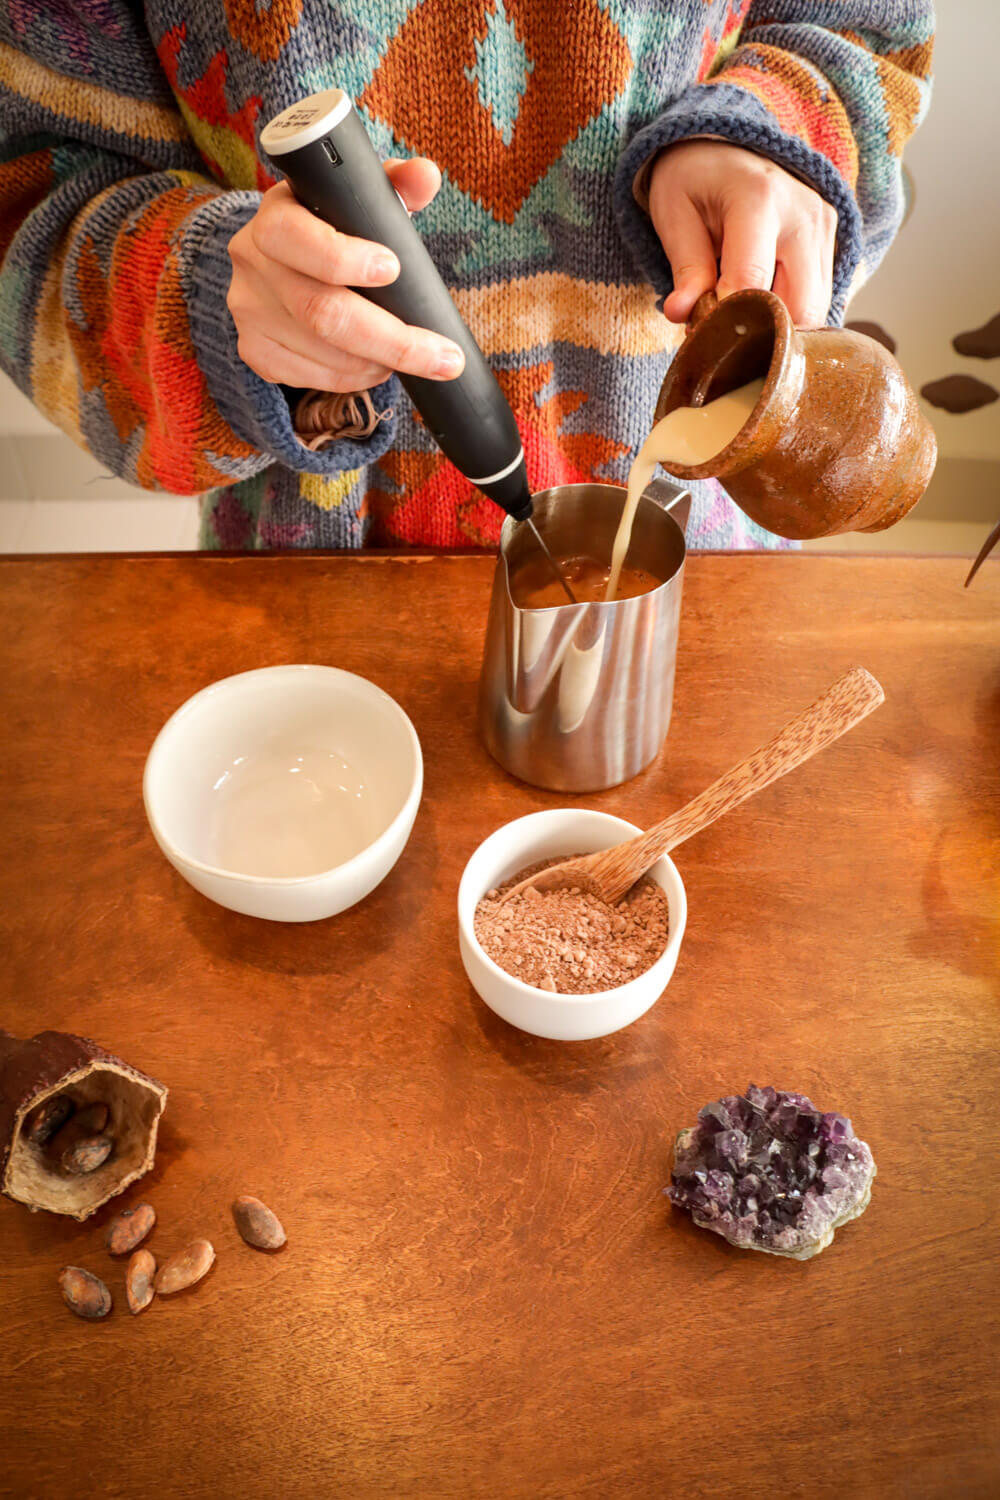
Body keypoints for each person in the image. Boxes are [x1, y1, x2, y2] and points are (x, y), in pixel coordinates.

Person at [0, 2, 933, 552]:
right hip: (308, 594)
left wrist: (770, 128)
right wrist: (206, 303)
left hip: (717, 556)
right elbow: (27, 196)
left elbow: (861, 26)